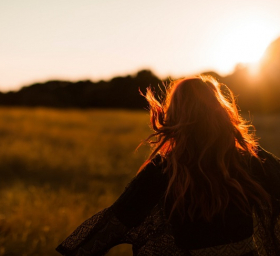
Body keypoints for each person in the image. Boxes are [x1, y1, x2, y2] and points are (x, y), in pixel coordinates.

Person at [56, 75, 280, 256]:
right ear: (220, 112)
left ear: (175, 115)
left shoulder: (164, 169)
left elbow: (114, 223)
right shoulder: (249, 158)